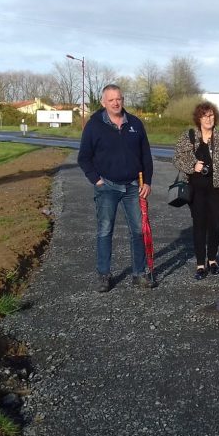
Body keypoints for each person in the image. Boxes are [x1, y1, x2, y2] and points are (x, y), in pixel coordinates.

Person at [78, 84, 155, 292]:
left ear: (123, 100)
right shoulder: (94, 126)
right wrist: (97, 180)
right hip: (107, 187)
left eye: (118, 98)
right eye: (111, 100)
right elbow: (83, 157)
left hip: (133, 187)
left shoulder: (135, 124)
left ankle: (139, 274)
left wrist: (147, 181)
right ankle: (104, 275)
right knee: (105, 231)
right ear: (103, 102)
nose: (115, 103)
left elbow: (146, 156)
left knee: (138, 231)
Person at [172, 101, 219, 280]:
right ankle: (200, 264)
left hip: (217, 188)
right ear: (198, 118)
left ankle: (213, 260)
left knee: (215, 224)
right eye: (205, 115)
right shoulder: (189, 136)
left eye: (211, 115)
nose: (209, 119)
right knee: (199, 225)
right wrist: (194, 165)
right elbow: (176, 159)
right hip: (195, 189)